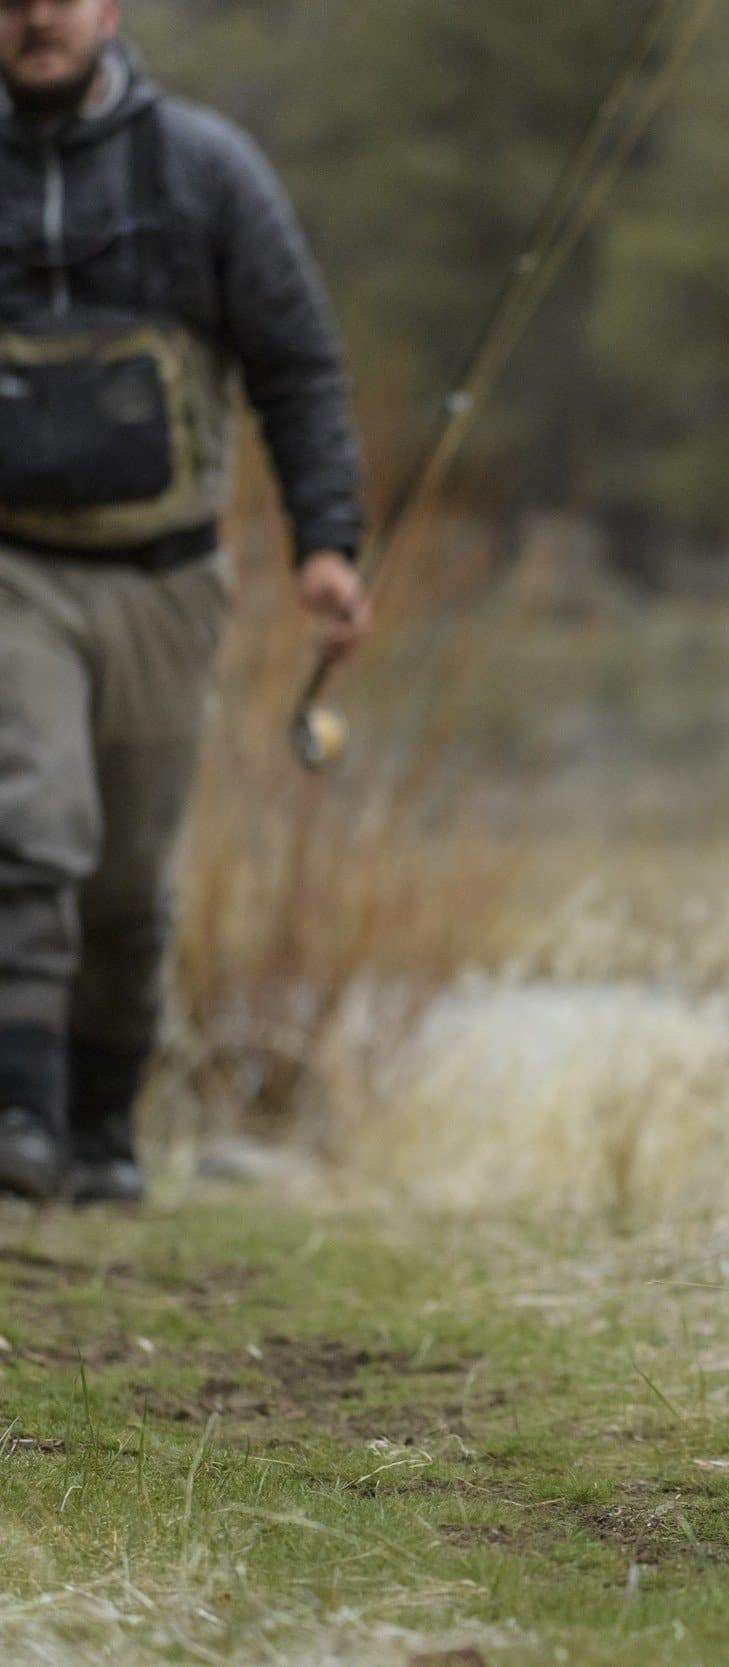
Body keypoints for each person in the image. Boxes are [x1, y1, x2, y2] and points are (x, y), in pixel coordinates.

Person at [0, 0, 370, 1203]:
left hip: (166, 578)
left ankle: (102, 1130)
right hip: (13, 570)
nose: (35, 16)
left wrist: (327, 543)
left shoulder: (204, 170)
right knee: (31, 833)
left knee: (128, 874)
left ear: (107, 8)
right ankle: (21, 1119)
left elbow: (297, 363)